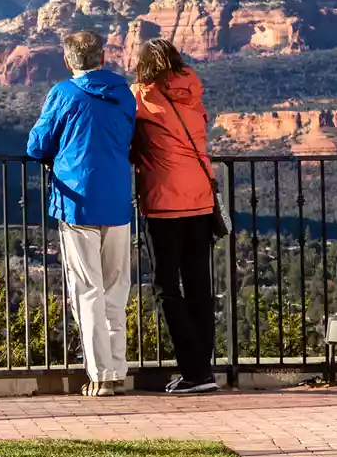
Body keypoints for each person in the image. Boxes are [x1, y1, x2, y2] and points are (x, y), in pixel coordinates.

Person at [26, 30, 138, 397]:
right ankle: (118, 370)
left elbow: (37, 145)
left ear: (68, 60)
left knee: (87, 290)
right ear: (102, 57)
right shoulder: (124, 92)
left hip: (76, 203)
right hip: (119, 201)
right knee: (116, 289)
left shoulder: (64, 94)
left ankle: (101, 375)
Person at [130, 37, 219, 394]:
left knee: (167, 287)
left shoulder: (140, 96)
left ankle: (195, 371)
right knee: (199, 284)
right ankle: (203, 369)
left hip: (164, 201)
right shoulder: (193, 93)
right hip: (200, 197)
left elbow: (126, 137)